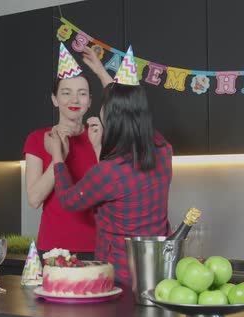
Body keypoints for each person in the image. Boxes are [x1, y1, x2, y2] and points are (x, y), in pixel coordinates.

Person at [46, 46, 173, 286]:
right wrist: (101, 71)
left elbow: (69, 200)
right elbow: (130, 108)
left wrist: (58, 157)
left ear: (111, 117)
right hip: (158, 273)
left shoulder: (110, 171)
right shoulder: (163, 150)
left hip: (120, 278)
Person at [23, 43, 111, 263]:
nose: (74, 100)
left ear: (89, 101)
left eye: (82, 94)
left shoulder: (100, 136)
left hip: (98, 247)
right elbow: (34, 199)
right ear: (54, 99)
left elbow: (109, 193)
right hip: (53, 249)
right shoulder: (37, 139)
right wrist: (58, 155)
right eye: (66, 93)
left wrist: (99, 147)